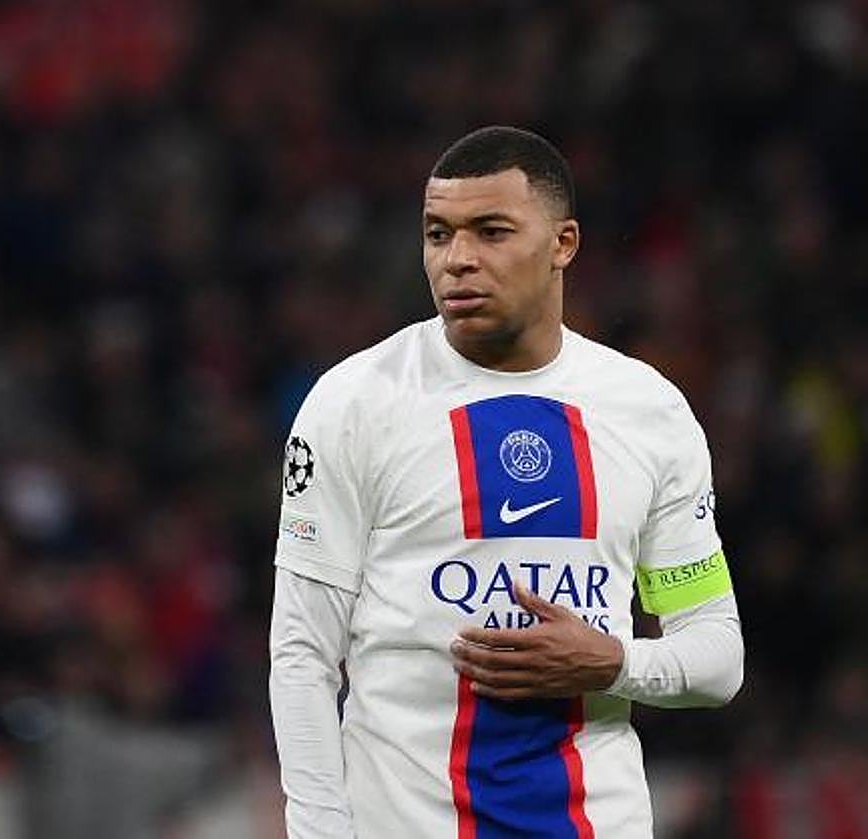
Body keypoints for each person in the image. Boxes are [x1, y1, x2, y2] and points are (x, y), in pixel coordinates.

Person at [268, 125, 744, 838]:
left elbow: (717, 655)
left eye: (490, 231)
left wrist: (613, 661)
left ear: (564, 244)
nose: (457, 259)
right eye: (438, 234)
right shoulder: (353, 404)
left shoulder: (649, 412)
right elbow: (302, 653)